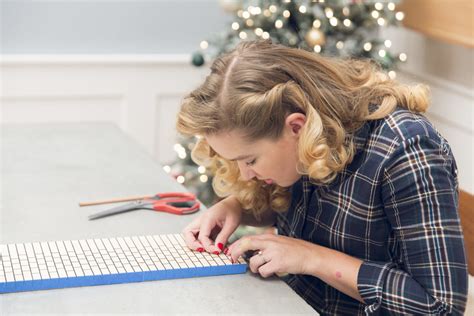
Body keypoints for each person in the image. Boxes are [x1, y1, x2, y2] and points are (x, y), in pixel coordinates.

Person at [175, 40, 467, 315]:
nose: (245, 173)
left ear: (297, 127)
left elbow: (438, 306)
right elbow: (299, 210)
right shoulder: (309, 138)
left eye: (250, 160)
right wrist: (237, 208)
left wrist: (312, 258)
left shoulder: (406, 151)